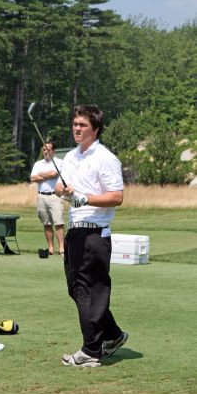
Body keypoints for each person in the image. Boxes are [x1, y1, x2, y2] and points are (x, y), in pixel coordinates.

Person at [55, 105, 128, 367]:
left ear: (95, 129)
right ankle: (113, 335)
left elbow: (116, 196)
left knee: (89, 291)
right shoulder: (72, 157)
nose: (76, 128)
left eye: (82, 125)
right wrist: (62, 191)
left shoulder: (105, 158)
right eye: (75, 123)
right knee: (77, 290)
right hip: (75, 232)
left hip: (95, 233)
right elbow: (60, 187)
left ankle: (91, 351)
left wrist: (84, 198)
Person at [31, 141, 65, 256]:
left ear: (53, 151)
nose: (46, 152)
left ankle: (62, 248)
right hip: (41, 196)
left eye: (48, 150)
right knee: (46, 223)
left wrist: (41, 174)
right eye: (44, 150)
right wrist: (46, 175)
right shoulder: (38, 163)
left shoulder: (59, 162)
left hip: (55, 196)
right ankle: (51, 248)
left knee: (59, 223)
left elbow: (53, 174)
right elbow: (33, 178)